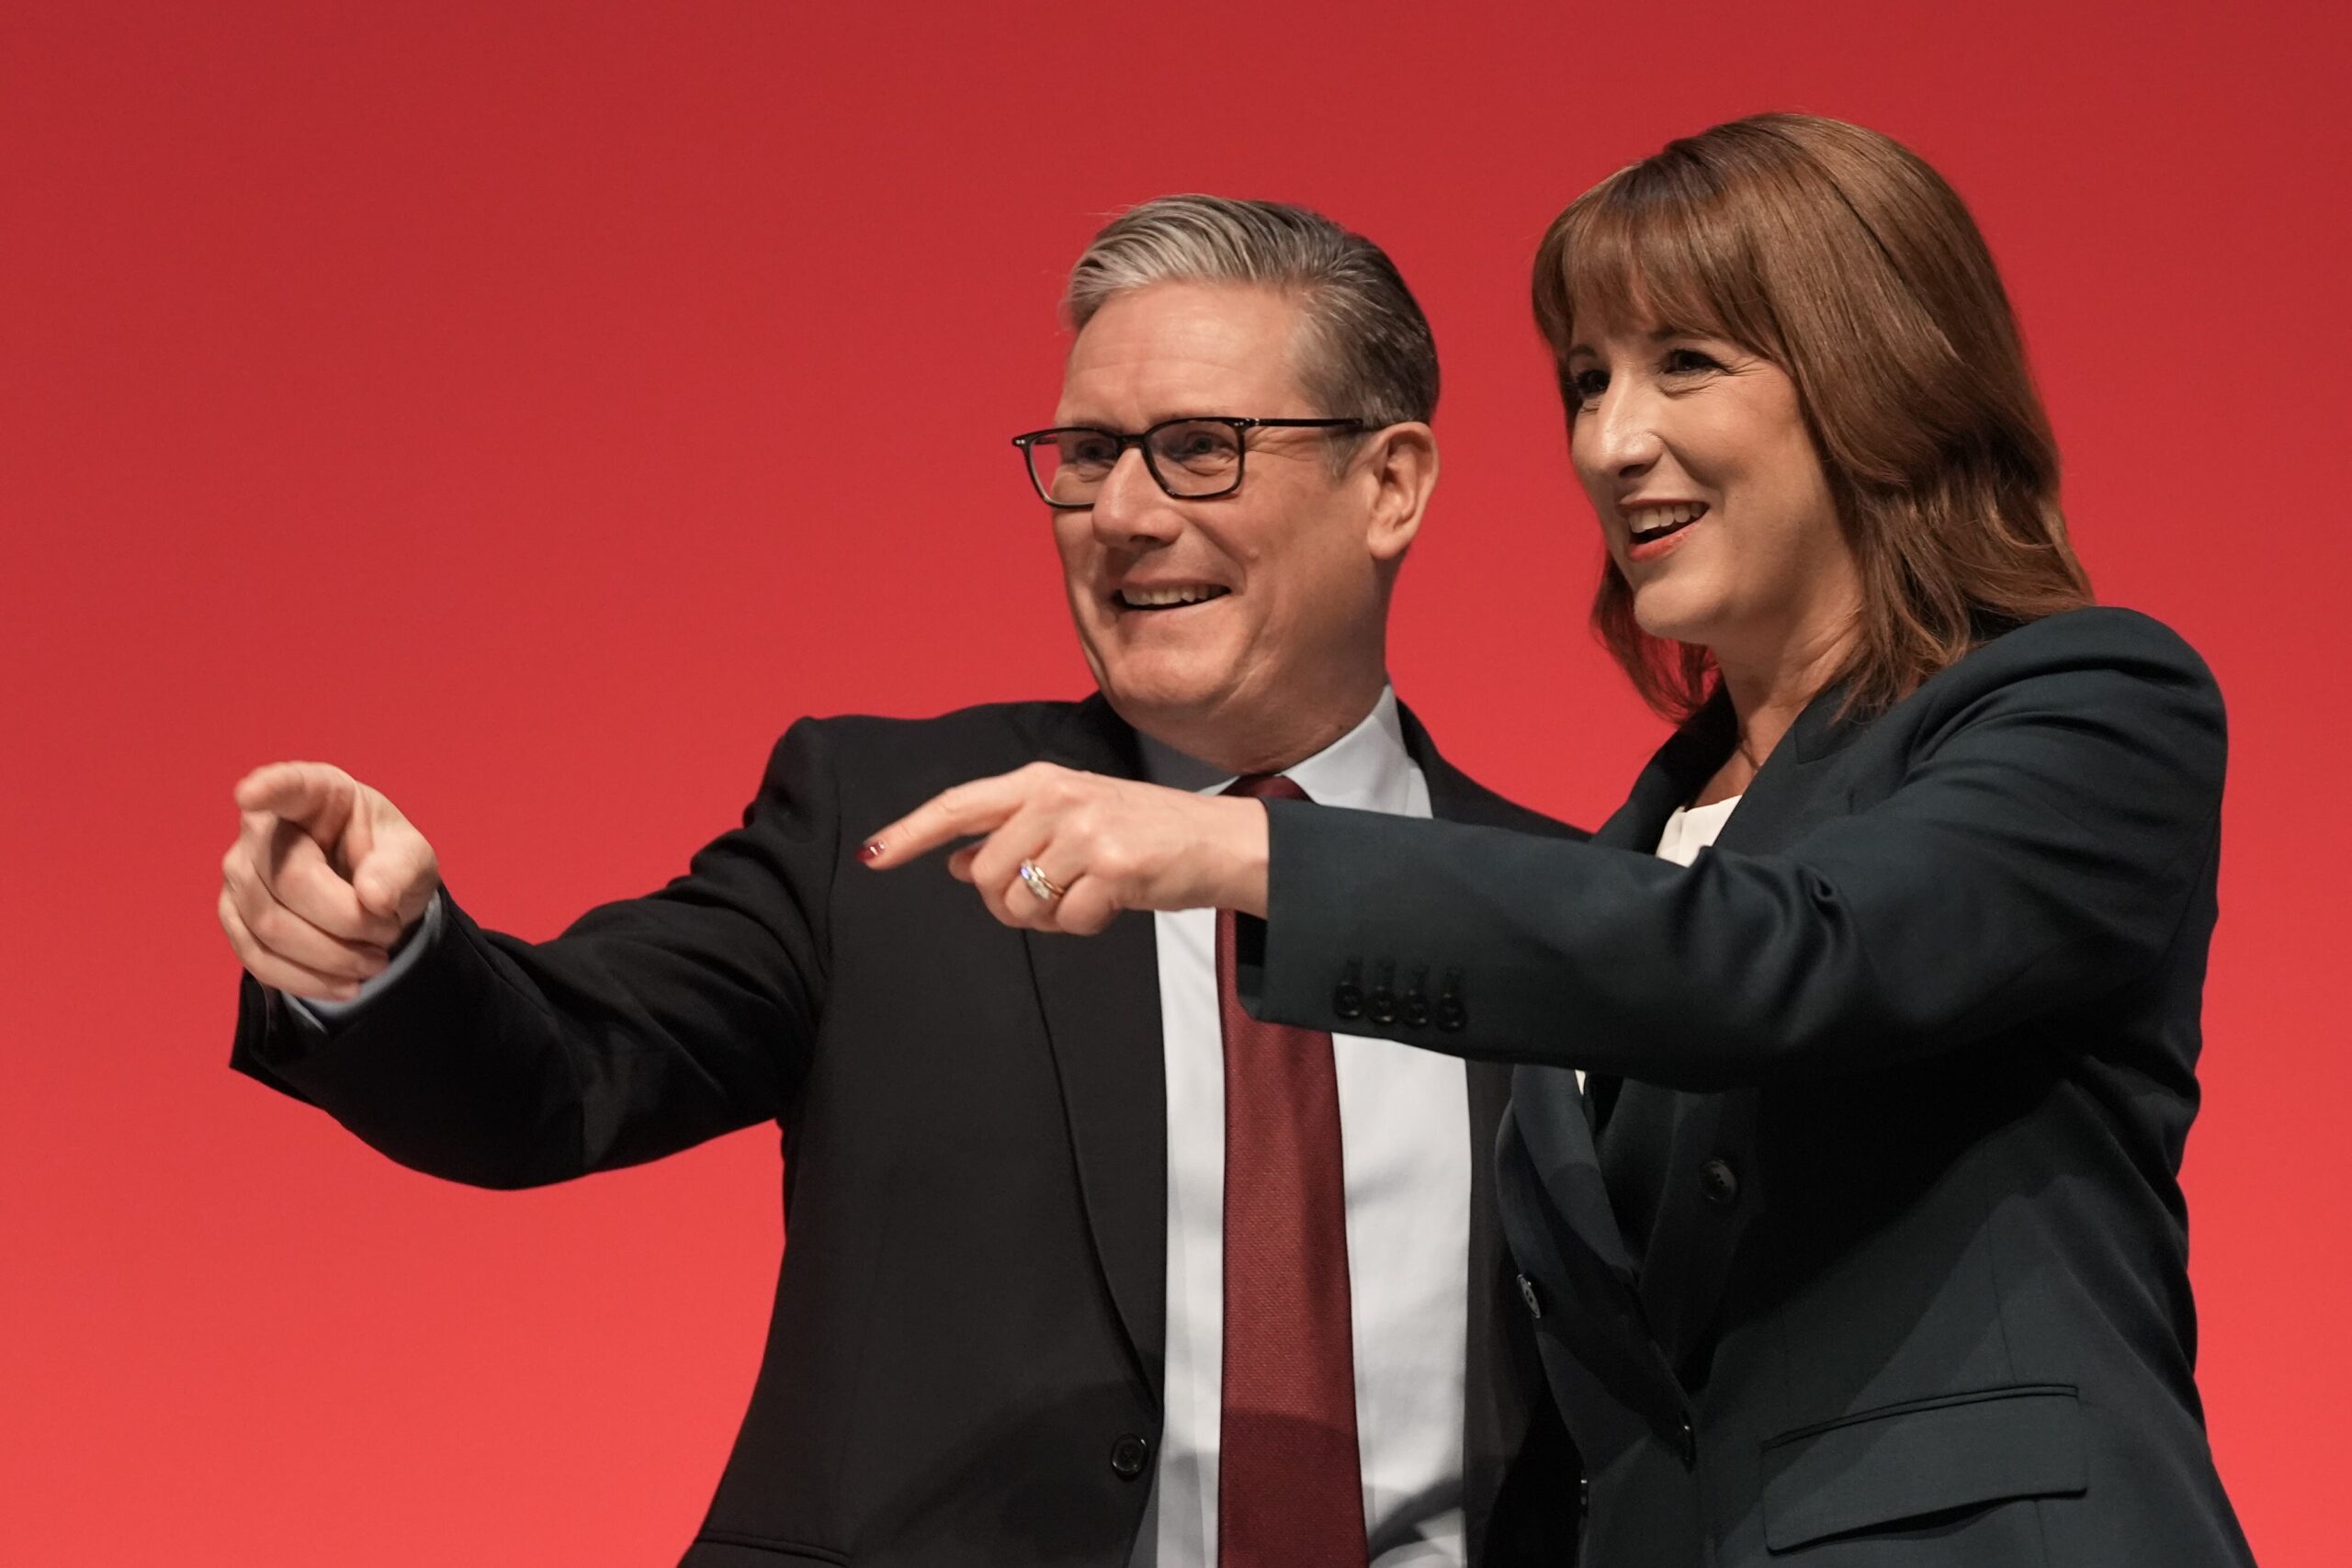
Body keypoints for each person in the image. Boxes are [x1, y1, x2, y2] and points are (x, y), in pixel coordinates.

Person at [866, 118, 2255, 1566]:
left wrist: (1243, 853)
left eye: (1685, 365)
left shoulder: (2089, 706)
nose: (1610, 441)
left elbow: (1792, 955)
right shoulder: (1639, 845)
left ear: (1881, 376)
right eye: (1587, 380)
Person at [218, 196, 1581, 1567]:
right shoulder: (885, 830)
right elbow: (557, 1072)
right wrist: (384, 960)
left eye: (1196, 452)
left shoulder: (1576, 914)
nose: (1120, 513)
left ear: (1390, 485)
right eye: (1090, 452)